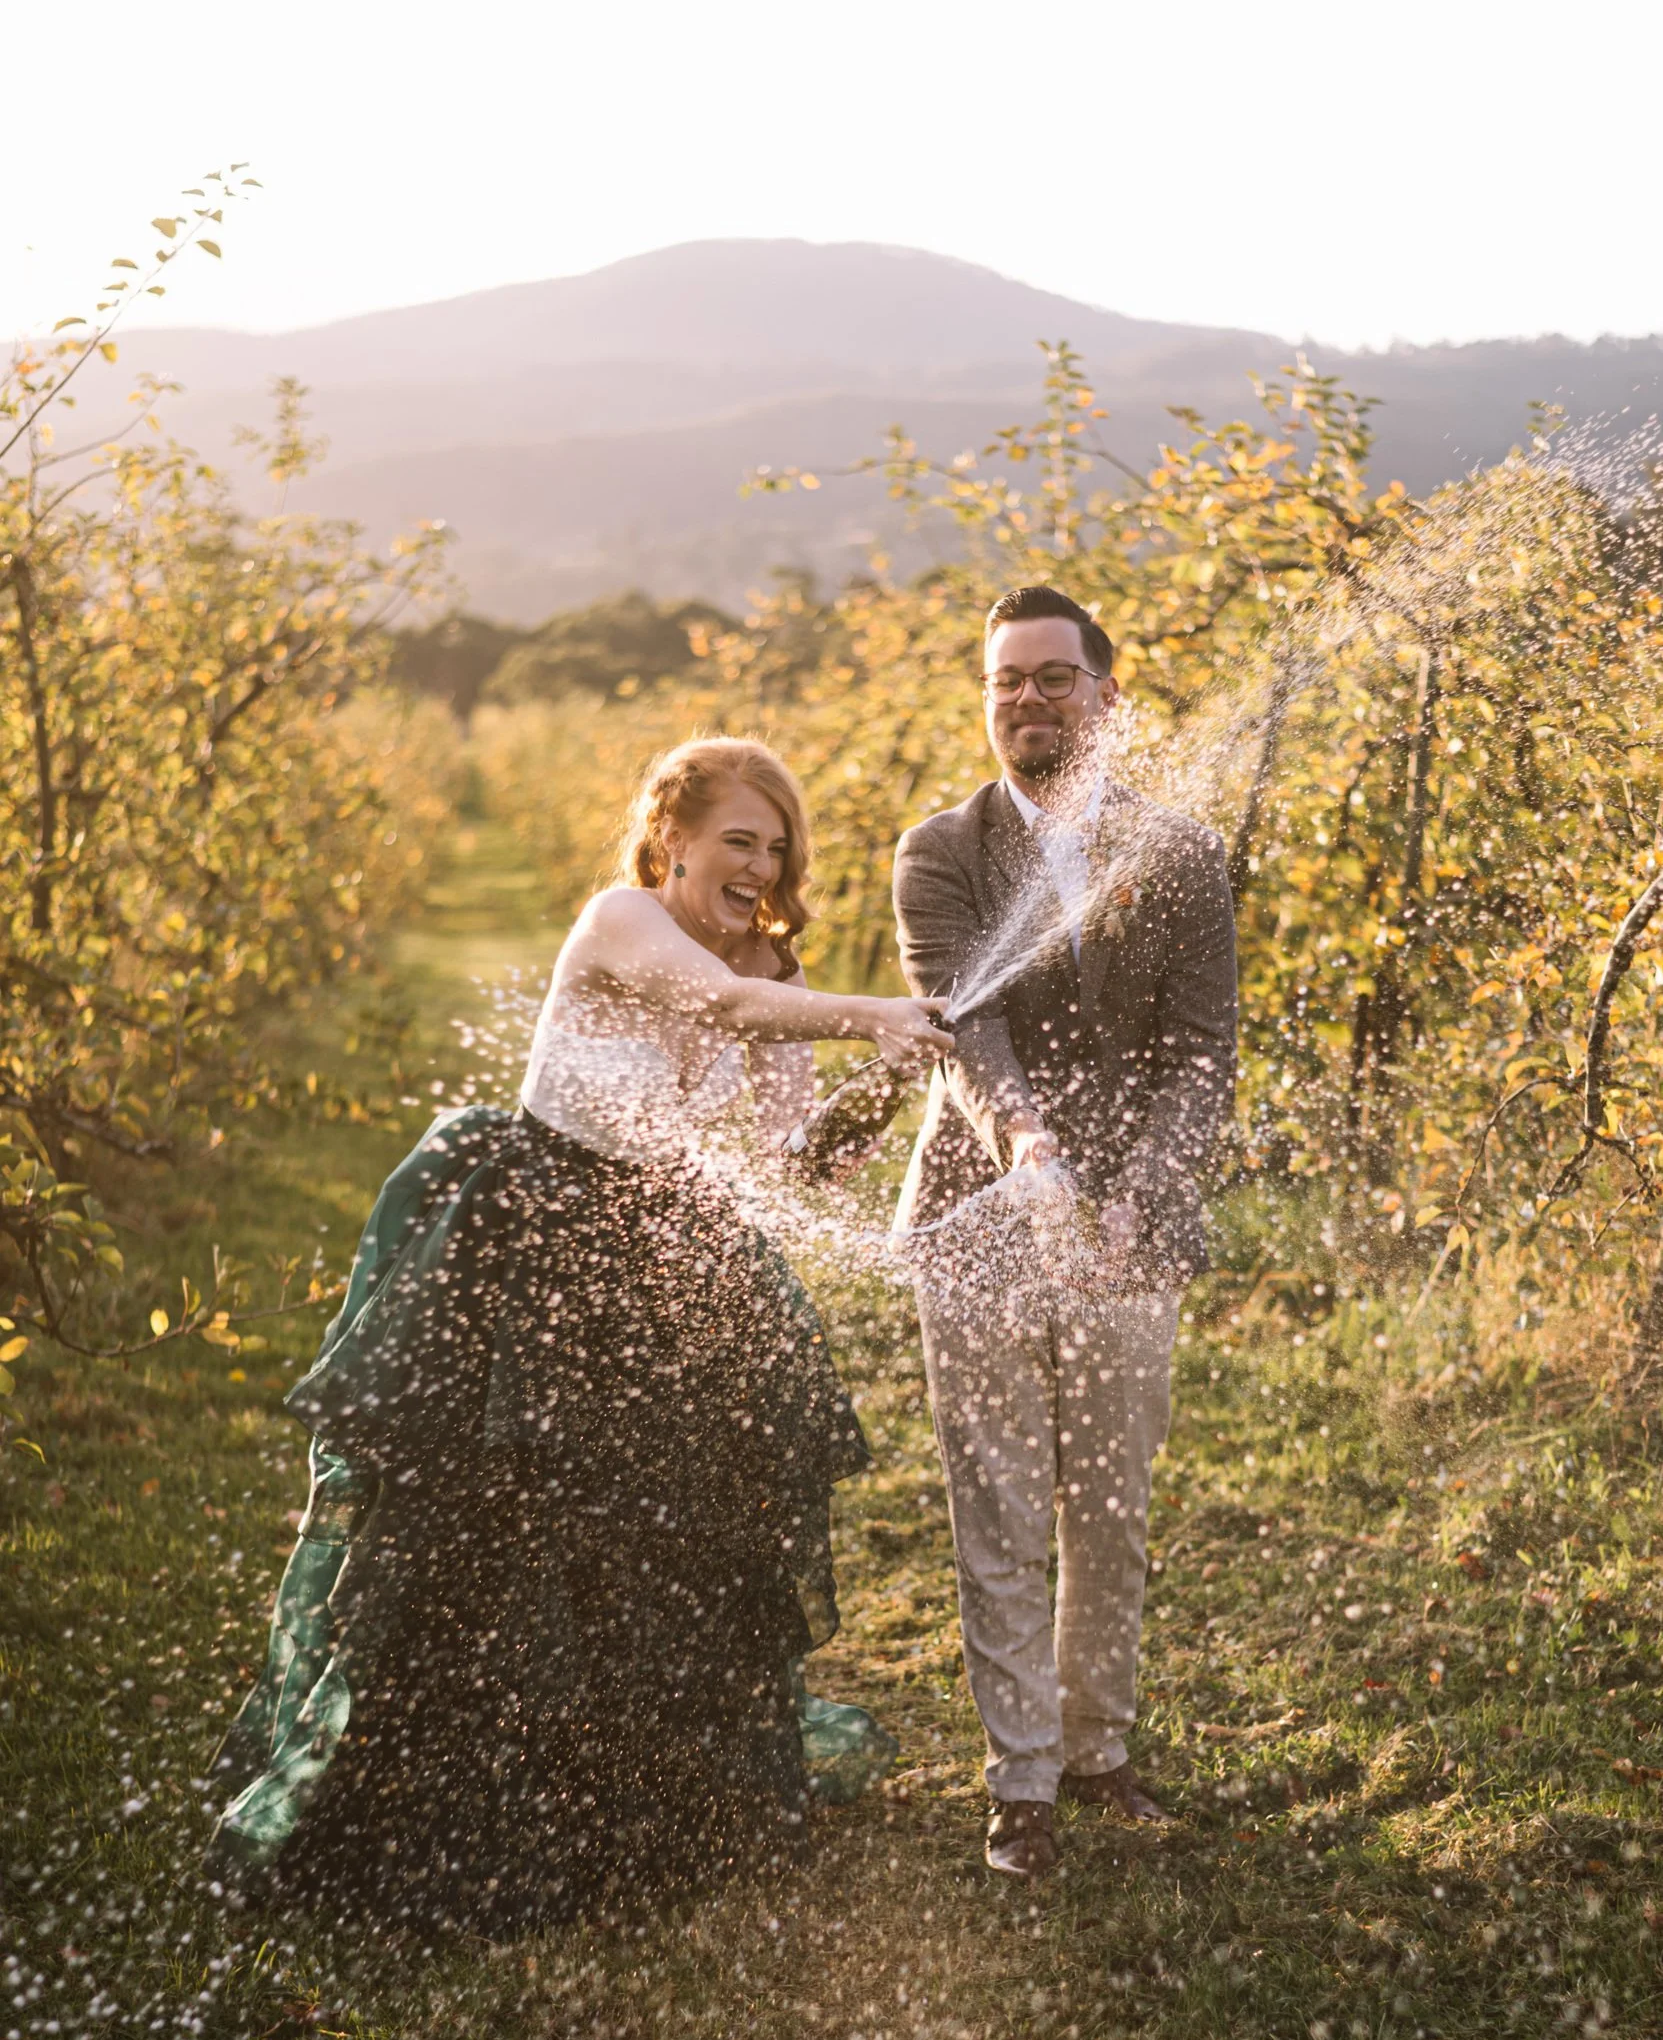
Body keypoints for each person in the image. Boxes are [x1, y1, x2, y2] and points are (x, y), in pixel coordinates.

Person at [207, 737, 949, 1931]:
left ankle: (640, 1807)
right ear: (673, 841)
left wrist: (887, 1082)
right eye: (737, 842)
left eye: (776, 846)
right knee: (500, 1544)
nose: (759, 865)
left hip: (662, 1268)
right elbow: (719, 1004)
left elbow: (778, 1160)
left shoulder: (771, 964)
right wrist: (870, 1015)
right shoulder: (621, 919)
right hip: (534, 1254)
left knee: (665, 1545)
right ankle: (471, 1808)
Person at [893, 585, 1237, 1879]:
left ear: (1103, 692)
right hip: (976, 1217)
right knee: (997, 1504)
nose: (1024, 701)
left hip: (1130, 1237)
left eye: (1049, 677)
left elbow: (1200, 1056)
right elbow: (964, 1025)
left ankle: (1097, 1751)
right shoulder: (936, 851)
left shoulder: (1185, 854)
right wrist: (1028, 1149)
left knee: (1107, 1505)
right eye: (1003, 683)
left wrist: (1136, 1194)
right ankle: (1018, 1781)